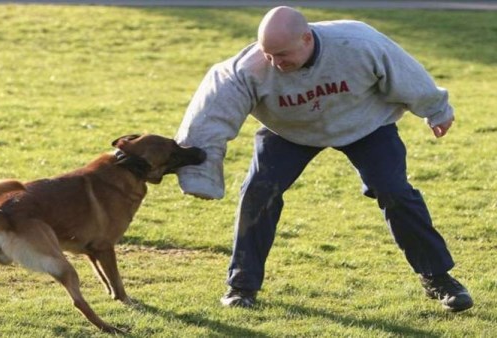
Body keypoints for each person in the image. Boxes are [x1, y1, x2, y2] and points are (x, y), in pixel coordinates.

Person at [175, 6, 473, 312]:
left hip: (366, 124)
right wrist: (200, 174)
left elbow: (405, 72)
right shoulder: (245, 70)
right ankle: (241, 286)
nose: (276, 63)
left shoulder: (357, 42)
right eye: (269, 55)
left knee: (393, 190)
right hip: (290, 131)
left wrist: (437, 109)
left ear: (306, 38)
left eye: (282, 54)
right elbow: (208, 120)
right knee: (258, 192)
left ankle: (438, 279)